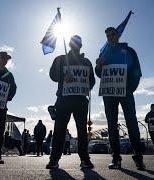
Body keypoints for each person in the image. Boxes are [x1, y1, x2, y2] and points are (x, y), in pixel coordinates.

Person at [95, 27, 145, 170]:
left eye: (113, 34)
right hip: (109, 94)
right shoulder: (103, 53)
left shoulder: (129, 51)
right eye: (108, 35)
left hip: (126, 92)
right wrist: (98, 66)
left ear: (118, 35)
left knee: (132, 123)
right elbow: (99, 73)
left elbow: (137, 71)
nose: (110, 37)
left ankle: (138, 157)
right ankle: (116, 157)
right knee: (112, 125)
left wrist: (130, 88)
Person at [46, 35, 95, 169]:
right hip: (64, 99)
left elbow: (92, 80)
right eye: (73, 43)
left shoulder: (86, 62)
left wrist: (84, 86)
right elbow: (53, 76)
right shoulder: (60, 59)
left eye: (77, 43)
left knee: (82, 131)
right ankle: (54, 159)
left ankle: (84, 159)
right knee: (59, 130)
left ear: (80, 46)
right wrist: (61, 73)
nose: (75, 45)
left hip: (80, 100)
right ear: (69, 44)